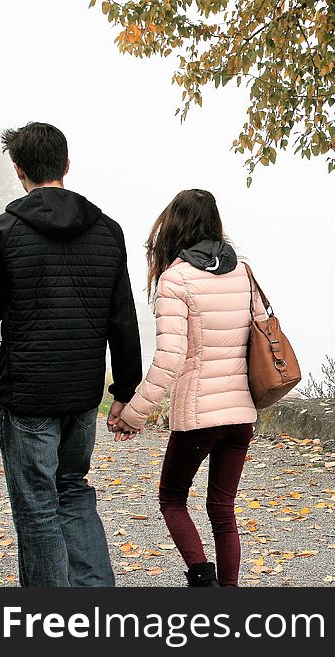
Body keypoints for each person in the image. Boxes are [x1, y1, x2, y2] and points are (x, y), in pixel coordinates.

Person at [0, 122, 142, 587]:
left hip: (29, 397)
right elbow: (122, 316)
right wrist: (124, 390)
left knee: (37, 507)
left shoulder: (3, 232)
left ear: (18, 171)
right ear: (67, 165)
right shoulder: (108, 232)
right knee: (73, 492)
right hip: (82, 396)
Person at [111, 189, 267, 587]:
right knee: (222, 508)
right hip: (241, 415)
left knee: (172, 498)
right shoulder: (243, 272)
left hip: (200, 416)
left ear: (174, 226)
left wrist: (133, 414)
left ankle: (202, 580)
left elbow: (169, 358)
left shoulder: (176, 279)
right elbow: (261, 336)